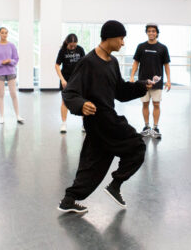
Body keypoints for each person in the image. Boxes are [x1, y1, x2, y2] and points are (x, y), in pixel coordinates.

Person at [57, 20, 152, 213]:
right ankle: (115, 185)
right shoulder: (88, 62)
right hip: (102, 120)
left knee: (93, 164)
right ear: (110, 37)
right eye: (121, 38)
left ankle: (68, 200)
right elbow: (70, 93)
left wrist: (141, 85)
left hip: (102, 122)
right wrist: (81, 105)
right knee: (137, 146)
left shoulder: (113, 62)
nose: (123, 43)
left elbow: (120, 91)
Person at [129, 23, 171, 139]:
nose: (151, 33)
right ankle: (146, 127)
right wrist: (132, 76)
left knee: (156, 104)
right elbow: (136, 63)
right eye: (149, 31)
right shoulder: (141, 47)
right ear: (146, 32)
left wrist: (168, 80)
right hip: (143, 82)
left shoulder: (162, 48)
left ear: (157, 33)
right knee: (145, 104)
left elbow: (166, 65)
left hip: (157, 83)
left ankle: (155, 127)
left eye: (153, 31)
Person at [0, 27, 24, 124]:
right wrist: (1, 62)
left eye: (6, 33)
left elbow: (16, 59)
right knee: (1, 94)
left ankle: (17, 115)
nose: (4, 34)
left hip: (10, 72)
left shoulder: (12, 45)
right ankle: (1, 117)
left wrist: (10, 61)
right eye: (2, 33)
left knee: (13, 93)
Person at [55, 33, 86, 133]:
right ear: (67, 43)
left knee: (82, 101)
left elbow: (84, 64)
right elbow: (57, 65)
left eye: (74, 45)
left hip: (78, 79)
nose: (73, 47)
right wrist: (62, 79)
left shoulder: (80, 49)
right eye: (71, 45)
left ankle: (84, 124)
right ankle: (63, 124)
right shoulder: (63, 50)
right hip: (66, 80)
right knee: (64, 101)